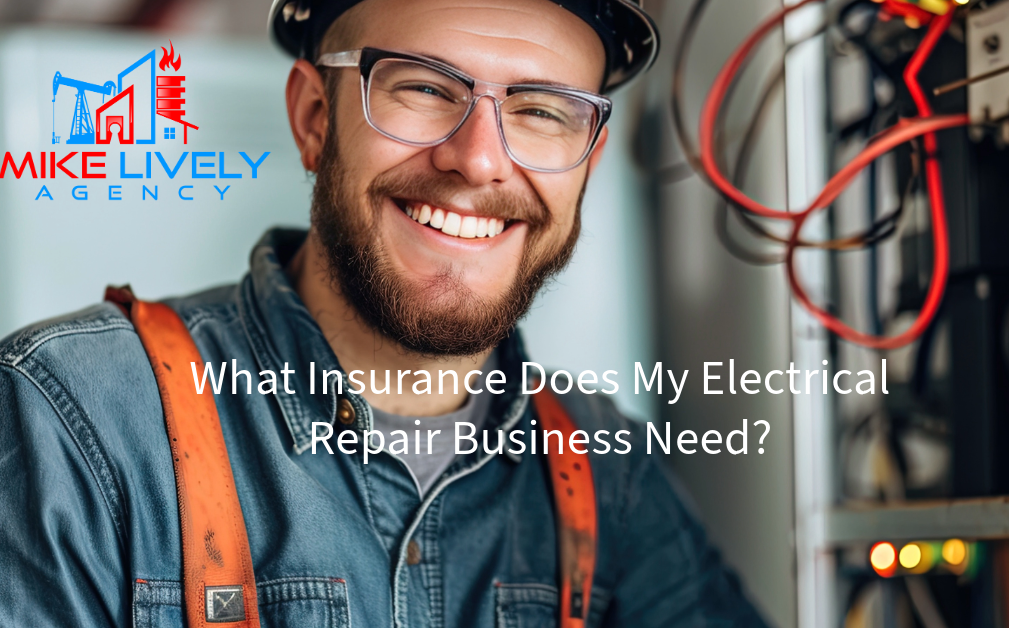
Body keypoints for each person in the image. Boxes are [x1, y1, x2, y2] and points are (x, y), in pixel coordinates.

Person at [0, 0, 769, 625]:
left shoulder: (609, 474)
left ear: (589, 164)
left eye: (541, 111)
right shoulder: (75, 421)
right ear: (312, 118)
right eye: (428, 89)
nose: (479, 159)